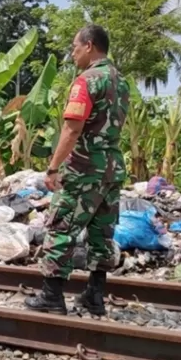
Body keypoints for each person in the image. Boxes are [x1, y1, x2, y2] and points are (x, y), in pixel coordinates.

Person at [25, 24, 129, 316]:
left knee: (61, 227)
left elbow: (72, 129)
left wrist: (53, 167)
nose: (72, 53)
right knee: (101, 234)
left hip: (84, 168)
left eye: (75, 47)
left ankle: (52, 296)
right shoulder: (121, 82)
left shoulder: (87, 81)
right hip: (111, 170)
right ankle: (94, 296)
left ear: (90, 45)